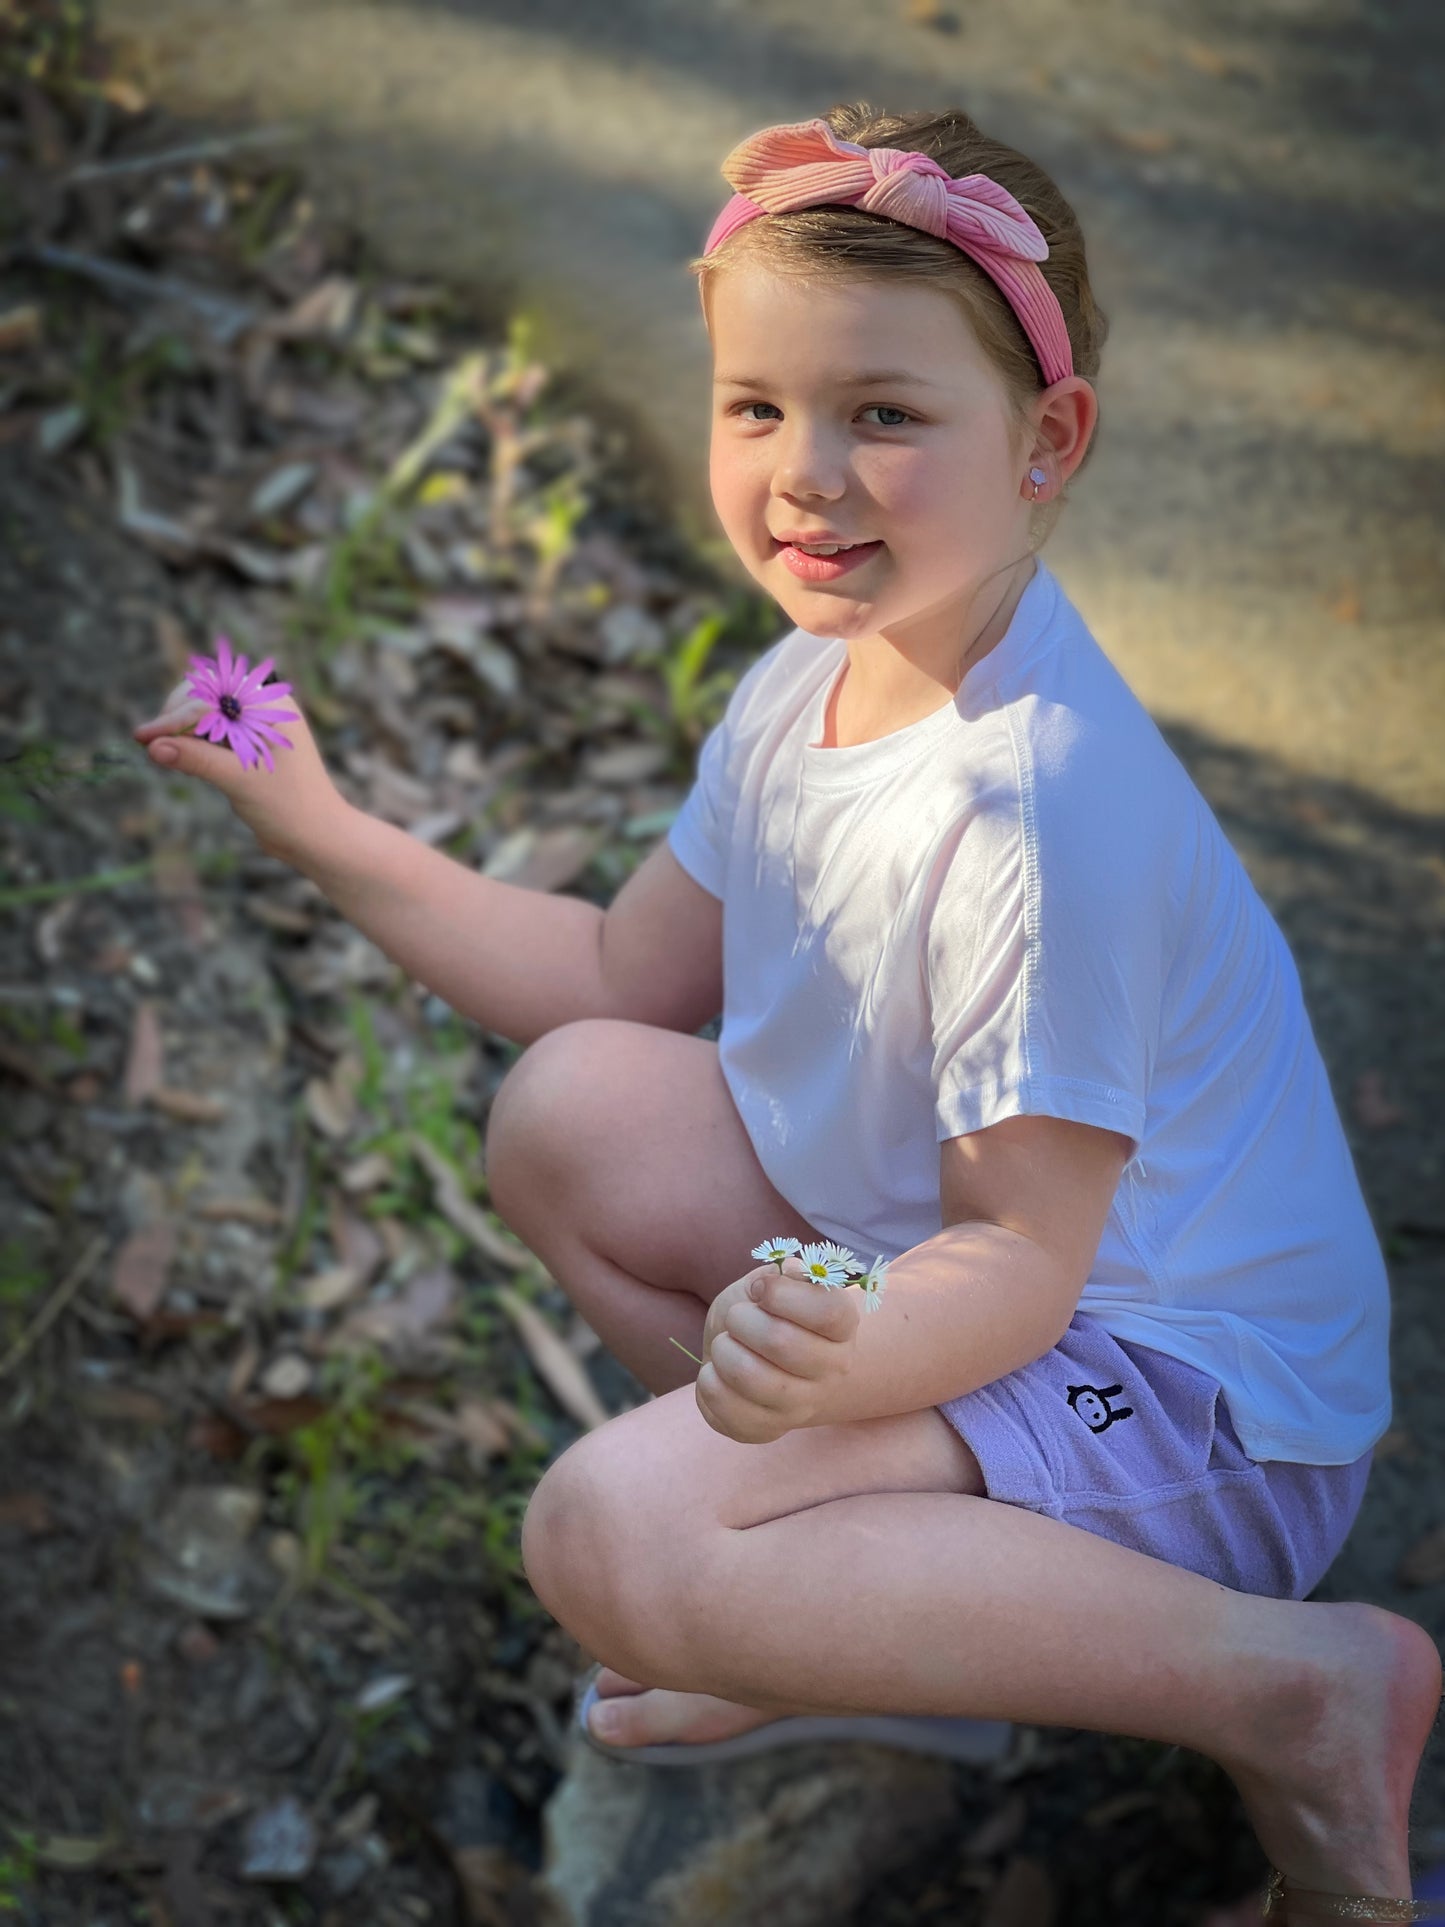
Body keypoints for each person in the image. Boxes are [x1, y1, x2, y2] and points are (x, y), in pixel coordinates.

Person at [133, 103, 1443, 1924]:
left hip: (1189, 1400)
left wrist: (841, 1363)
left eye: (885, 415)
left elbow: (1024, 1269)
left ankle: (1297, 1693)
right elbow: (612, 983)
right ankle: (834, 1595)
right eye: (758, 407)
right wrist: (327, 827)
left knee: (611, 1530)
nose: (804, 474)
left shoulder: (1032, 817)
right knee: (576, 1108)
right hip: (962, 1292)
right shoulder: (807, 679)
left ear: (1046, 441)